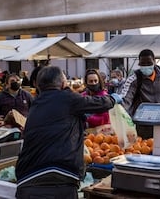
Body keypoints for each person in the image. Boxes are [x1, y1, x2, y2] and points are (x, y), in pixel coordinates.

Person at [15, 66, 121, 199]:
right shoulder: (66, 97)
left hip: (27, 179)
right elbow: (98, 103)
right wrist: (113, 99)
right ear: (63, 83)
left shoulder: (37, 103)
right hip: (58, 177)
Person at [120, 49, 160, 139]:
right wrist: (119, 110)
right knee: (144, 146)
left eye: (149, 63)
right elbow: (126, 97)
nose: (146, 66)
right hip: (142, 123)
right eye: (142, 64)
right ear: (139, 64)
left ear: (154, 61)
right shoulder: (134, 78)